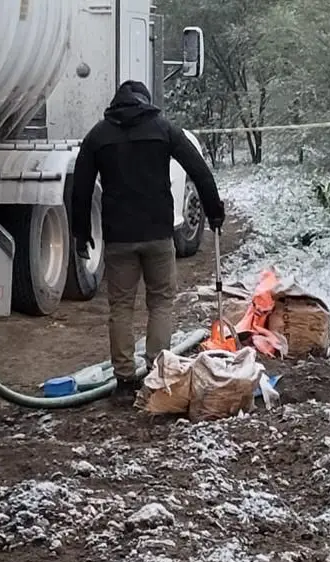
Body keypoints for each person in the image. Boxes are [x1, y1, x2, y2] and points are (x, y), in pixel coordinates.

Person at [71, 80, 225, 403]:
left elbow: (81, 188)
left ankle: (125, 381)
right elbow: (199, 169)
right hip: (157, 234)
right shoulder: (164, 129)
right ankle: (157, 374)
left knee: (121, 307)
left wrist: (81, 234)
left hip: (119, 239)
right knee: (161, 302)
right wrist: (214, 211)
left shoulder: (99, 136)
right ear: (146, 101)